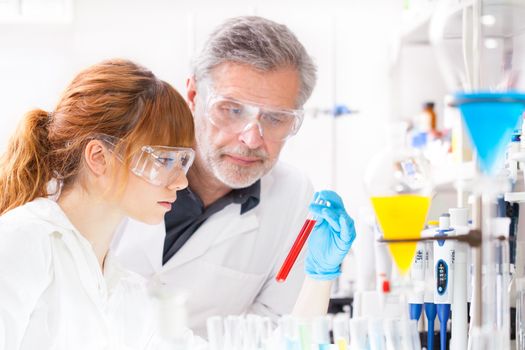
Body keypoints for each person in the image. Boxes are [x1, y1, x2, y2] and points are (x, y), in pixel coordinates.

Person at [113, 16, 357, 336]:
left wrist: (320, 279)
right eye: (231, 109)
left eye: (275, 118)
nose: (252, 139)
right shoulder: (122, 161)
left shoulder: (294, 197)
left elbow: (280, 330)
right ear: (193, 94)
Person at [0, 59, 205, 349]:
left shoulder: (126, 290)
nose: (181, 182)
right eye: (163, 160)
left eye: (182, 162)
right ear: (98, 157)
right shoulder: (22, 241)